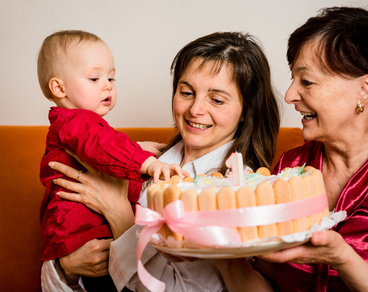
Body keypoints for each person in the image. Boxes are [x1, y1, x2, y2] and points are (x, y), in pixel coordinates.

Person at [214, 6, 368, 291]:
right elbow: (265, 285)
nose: (289, 95)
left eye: (307, 81)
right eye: (292, 79)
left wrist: (343, 259)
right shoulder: (291, 167)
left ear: (365, 88)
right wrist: (222, 256)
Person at [43, 31, 281, 291]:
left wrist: (120, 216)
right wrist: (66, 269)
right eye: (187, 92)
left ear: (247, 109)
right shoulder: (137, 159)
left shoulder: (239, 192)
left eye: (216, 99)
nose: (196, 109)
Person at [37, 30, 186, 291]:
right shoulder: (76, 121)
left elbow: (97, 148)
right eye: (94, 78)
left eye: (111, 77)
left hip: (84, 233)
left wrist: (137, 148)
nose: (107, 85)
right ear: (59, 87)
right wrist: (147, 162)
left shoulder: (75, 125)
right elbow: (102, 145)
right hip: (84, 234)